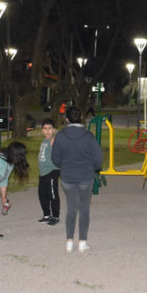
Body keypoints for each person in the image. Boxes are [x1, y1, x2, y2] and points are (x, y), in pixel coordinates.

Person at [51, 106, 104, 253]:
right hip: (85, 176)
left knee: (71, 208)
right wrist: (92, 167)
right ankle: (82, 242)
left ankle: (69, 242)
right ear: (80, 118)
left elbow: (55, 158)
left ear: (67, 119)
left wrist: (64, 165)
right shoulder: (88, 136)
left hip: (67, 176)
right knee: (84, 209)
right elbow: (98, 158)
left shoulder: (60, 136)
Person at [33, 119, 60, 224]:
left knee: (52, 194)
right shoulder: (44, 141)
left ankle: (55, 216)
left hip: (52, 170)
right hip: (43, 172)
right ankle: (47, 214)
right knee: (42, 194)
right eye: (45, 128)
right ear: (42, 130)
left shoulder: (54, 140)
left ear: (54, 130)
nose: (47, 131)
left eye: (50, 128)